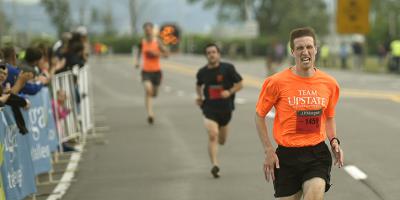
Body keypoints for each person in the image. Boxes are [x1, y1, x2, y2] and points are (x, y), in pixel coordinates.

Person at [255, 27, 344, 199]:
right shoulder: (276, 82)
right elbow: (259, 116)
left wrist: (333, 141)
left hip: (316, 154)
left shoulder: (329, 84)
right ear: (292, 52)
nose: (305, 52)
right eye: (300, 48)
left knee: (316, 192)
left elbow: (329, 117)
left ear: (316, 49)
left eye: (309, 47)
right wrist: (268, 149)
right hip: (286, 157)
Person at [196, 43, 243, 178]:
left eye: (213, 52)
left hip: (226, 109)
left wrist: (229, 91)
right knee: (212, 134)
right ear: (206, 56)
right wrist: (199, 97)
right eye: (209, 52)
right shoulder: (202, 72)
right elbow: (198, 85)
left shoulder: (227, 68)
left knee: (222, 140)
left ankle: (216, 154)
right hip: (209, 108)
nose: (211, 54)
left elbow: (240, 84)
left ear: (218, 54)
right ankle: (215, 165)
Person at [134, 22, 169, 124]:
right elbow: (139, 53)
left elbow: (166, 54)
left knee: (154, 93)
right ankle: (150, 114)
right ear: (144, 31)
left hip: (157, 72)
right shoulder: (142, 42)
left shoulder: (157, 42)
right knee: (148, 90)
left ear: (152, 30)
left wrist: (156, 53)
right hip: (146, 71)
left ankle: (151, 105)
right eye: (146, 30)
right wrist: (137, 62)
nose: (148, 32)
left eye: (149, 30)